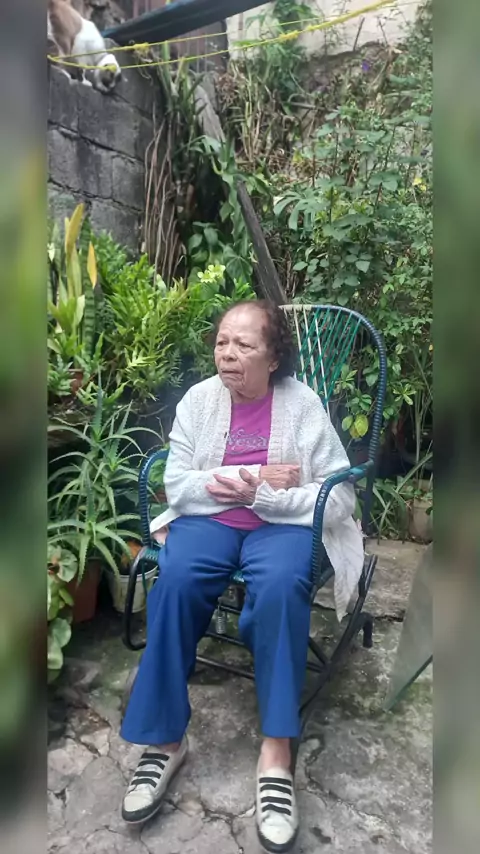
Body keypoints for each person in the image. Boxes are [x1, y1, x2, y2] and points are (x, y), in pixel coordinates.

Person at [120, 300, 362, 852]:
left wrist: (267, 496)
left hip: (281, 526)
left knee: (279, 587)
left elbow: (340, 496)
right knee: (176, 578)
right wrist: (254, 474)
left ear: (273, 357)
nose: (228, 354)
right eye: (222, 342)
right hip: (210, 523)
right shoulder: (199, 400)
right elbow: (178, 486)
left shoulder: (303, 406)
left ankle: (276, 753)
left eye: (244, 345)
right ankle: (165, 741)